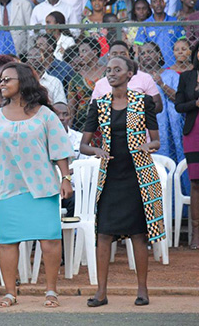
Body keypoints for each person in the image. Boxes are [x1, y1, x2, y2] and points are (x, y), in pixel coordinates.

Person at [0, 62, 73, 309]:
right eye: (0, 80)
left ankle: (51, 291)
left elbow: (59, 150)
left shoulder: (46, 115)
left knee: (49, 240)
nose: (1, 83)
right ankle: (10, 293)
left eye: (8, 79)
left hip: (42, 187)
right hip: (7, 187)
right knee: (8, 241)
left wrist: (65, 177)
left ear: (24, 83)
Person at [80, 55, 162, 307]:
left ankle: (142, 290)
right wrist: (97, 151)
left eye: (117, 69)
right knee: (103, 233)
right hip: (110, 176)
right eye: (108, 70)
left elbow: (157, 141)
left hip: (137, 176)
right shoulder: (99, 104)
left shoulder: (143, 101)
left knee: (138, 234)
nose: (111, 73)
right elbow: (83, 145)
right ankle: (101, 292)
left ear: (130, 74)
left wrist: (147, 146)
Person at [176, 42, 199, 248]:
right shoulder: (186, 77)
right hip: (194, 133)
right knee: (196, 182)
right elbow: (179, 106)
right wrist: (196, 104)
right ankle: (196, 233)